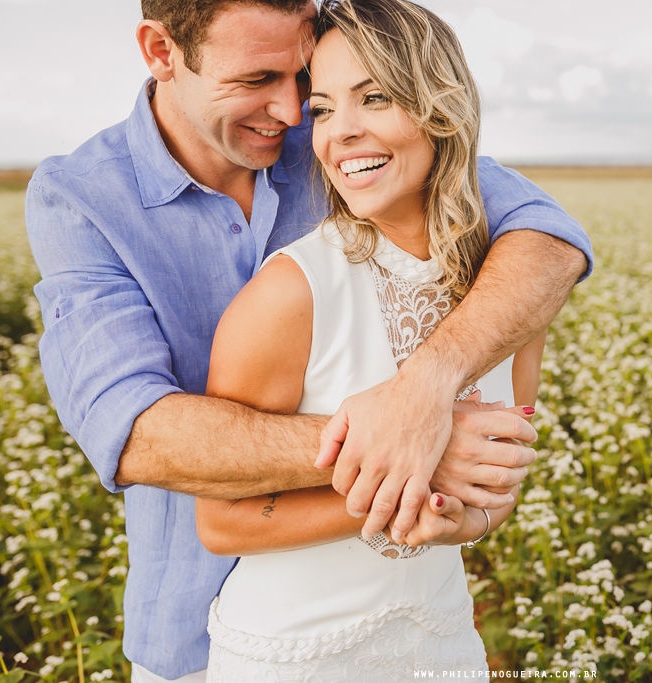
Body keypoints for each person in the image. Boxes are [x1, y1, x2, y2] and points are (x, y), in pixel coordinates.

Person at [24, 0, 591, 680]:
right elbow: (136, 432)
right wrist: (409, 447)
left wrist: (428, 389)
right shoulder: (80, 196)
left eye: (301, 79)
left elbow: (547, 242)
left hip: (424, 628)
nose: (293, 112)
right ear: (160, 51)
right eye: (257, 78)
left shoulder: (344, 140)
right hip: (201, 639)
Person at [195, 2, 537, 677]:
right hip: (295, 656)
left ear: (441, 107)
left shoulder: (511, 293)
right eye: (322, 110)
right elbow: (222, 522)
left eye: (374, 97)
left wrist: (468, 520)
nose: (340, 132)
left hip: (442, 643)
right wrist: (410, 478)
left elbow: (498, 481)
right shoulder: (290, 293)